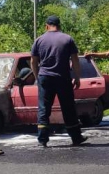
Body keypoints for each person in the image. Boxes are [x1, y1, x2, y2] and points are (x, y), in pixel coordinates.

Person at [31, 15, 88, 147]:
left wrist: (37, 76)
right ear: (59, 26)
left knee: (44, 109)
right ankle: (76, 137)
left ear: (46, 26)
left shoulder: (39, 40)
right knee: (68, 108)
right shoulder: (67, 39)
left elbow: (33, 61)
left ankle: (42, 140)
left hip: (45, 77)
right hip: (62, 77)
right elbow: (75, 60)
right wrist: (78, 77)